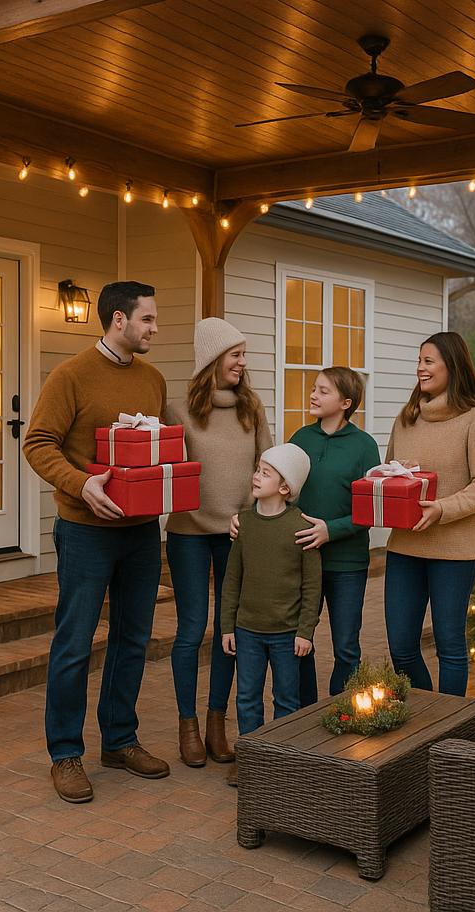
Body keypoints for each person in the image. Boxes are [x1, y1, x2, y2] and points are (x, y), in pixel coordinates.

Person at [23, 280, 170, 804]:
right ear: (118, 320)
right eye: (147, 319)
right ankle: (65, 753)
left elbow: (159, 448)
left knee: (133, 640)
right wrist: (81, 483)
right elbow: (37, 443)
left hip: (141, 533)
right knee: (75, 643)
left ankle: (119, 741)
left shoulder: (153, 379)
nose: (155, 328)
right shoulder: (70, 376)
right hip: (85, 531)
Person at [164, 317, 272, 768]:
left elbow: (267, 463)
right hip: (188, 534)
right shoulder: (177, 410)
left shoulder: (252, 407)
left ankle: (216, 723)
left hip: (237, 534)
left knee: (229, 630)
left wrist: (252, 515)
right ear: (212, 358)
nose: (243, 363)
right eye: (235, 355)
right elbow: (169, 473)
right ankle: (188, 725)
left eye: (243, 355)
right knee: (192, 630)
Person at [383, 331, 475, 697]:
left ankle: (450, 723)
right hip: (405, 546)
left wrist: (442, 509)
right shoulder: (406, 419)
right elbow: (389, 471)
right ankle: (424, 713)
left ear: (452, 365)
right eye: (419, 361)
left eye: (428, 361)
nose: (420, 368)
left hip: (455, 552)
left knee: (449, 646)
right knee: (401, 647)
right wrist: (398, 473)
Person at [221, 443, 321, 785]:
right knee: (247, 698)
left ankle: (281, 761)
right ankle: (250, 759)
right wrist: (227, 626)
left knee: (286, 699)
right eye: (257, 469)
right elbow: (232, 580)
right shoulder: (244, 524)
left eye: (266, 473)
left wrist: (305, 632)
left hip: (286, 635)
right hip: (247, 631)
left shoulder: (301, 527)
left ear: (284, 487)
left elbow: (312, 586)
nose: (256, 476)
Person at [289, 367, 382, 701]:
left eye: (323, 391)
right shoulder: (300, 439)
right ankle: (304, 713)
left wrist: (331, 530)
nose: (313, 395)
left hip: (347, 564)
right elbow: (282, 492)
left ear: (346, 402)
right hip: (302, 560)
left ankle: (342, 714)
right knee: (299, 642)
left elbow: (371, 509)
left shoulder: (364, 446)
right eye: (314, 388)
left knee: (346, 646)